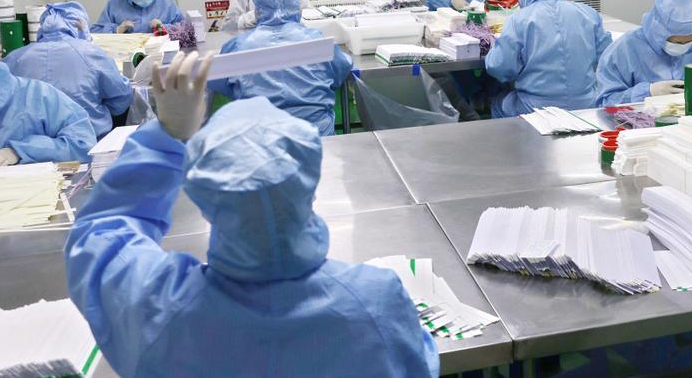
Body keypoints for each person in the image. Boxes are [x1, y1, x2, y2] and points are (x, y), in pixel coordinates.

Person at [64, 54, 438, 376]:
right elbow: (415, 363)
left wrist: (167, 136)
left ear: (202, 193)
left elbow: (100, 234)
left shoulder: (160, 311)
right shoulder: (376, 303)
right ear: (310, 178)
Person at [209, 0, 353, 136]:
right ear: (298, 9)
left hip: (262, 141)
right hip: (316, 138)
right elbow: (342, 67)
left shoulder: (238, 46)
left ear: (257, 12)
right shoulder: (316, 40)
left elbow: (218, 81)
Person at [485, 0, 612, 117]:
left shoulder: (519, 20)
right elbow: (606, 58)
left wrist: (492, 47)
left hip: (535, 108)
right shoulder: (587, 13)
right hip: (587, 104)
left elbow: (500, 68)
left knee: (498, 102)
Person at [3, 2, 132, 137]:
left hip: (32, 145)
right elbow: (121, 97)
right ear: (79, 26)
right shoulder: (92, 54)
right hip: (87, 141)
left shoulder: (16, 57)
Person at [596, 0, 692, 106]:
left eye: (689, 42)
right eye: (677, 42)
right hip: (638, 122)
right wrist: (648, 92)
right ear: (659, 30)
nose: (684, 47)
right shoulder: (625, 49)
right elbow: (606, 102)